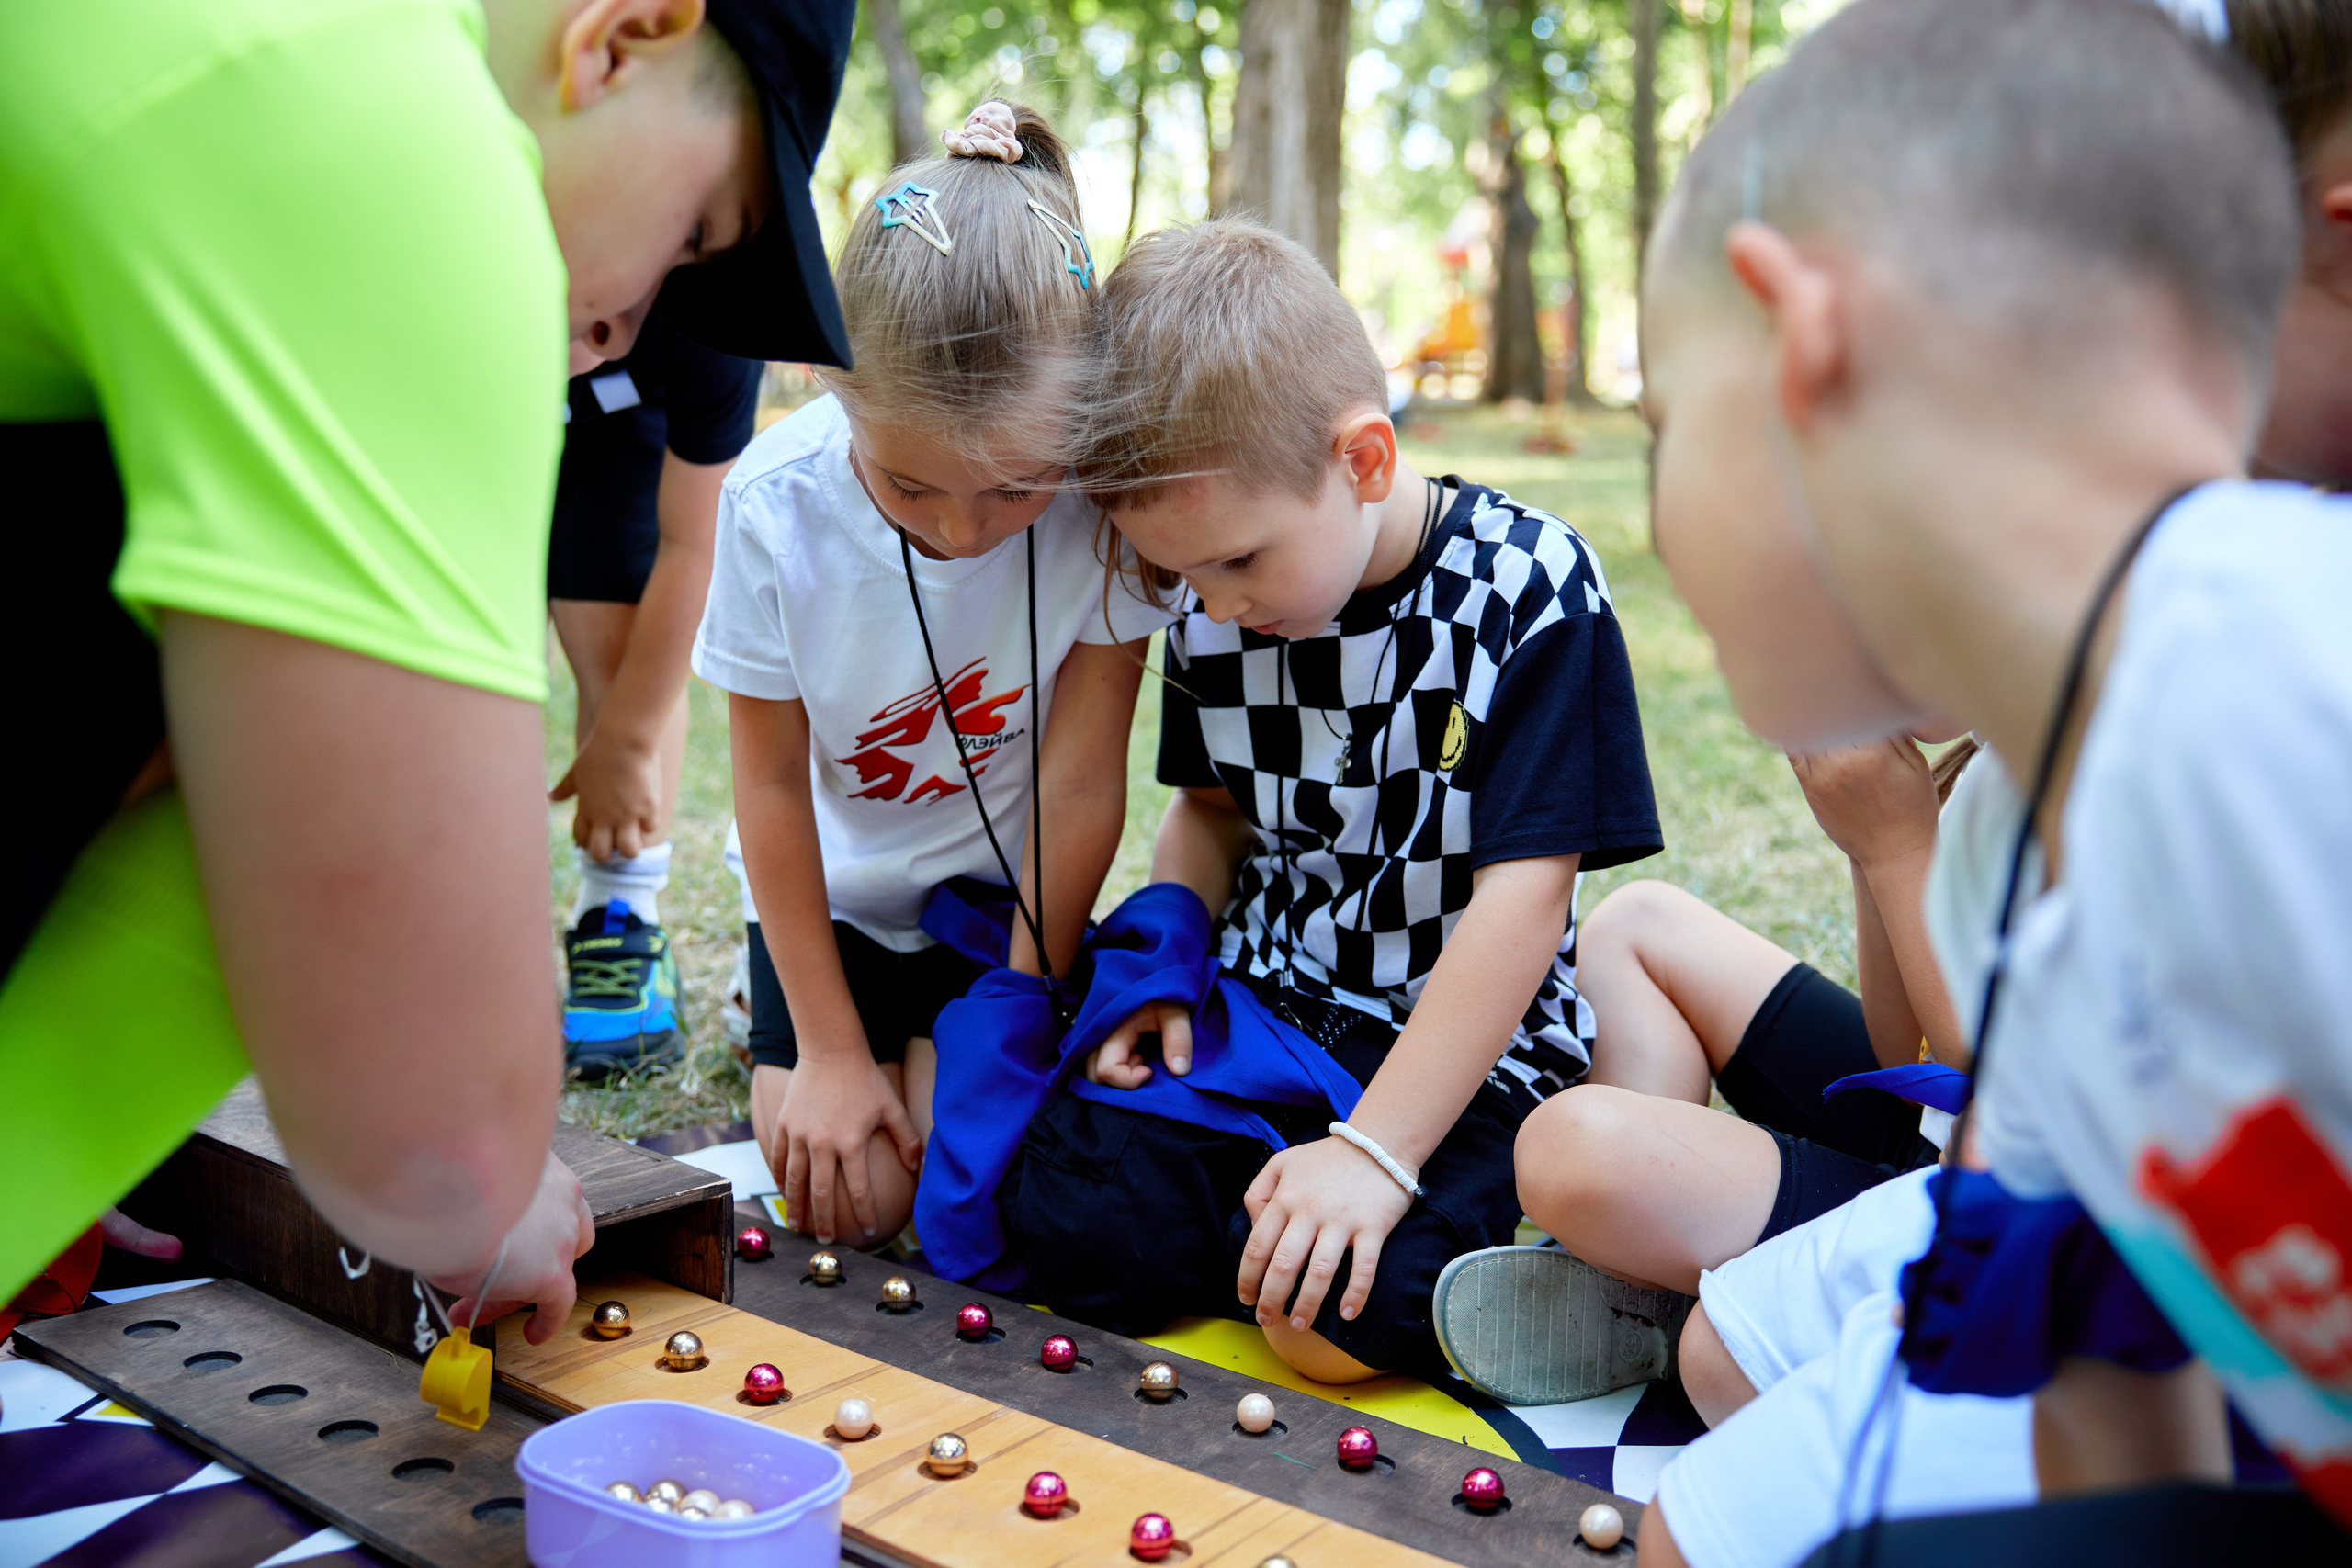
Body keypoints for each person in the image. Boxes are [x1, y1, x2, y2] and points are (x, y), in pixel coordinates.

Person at [1, 0, 853, 1333]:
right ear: (618, 37)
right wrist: (494, 1195)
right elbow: (428, 1142)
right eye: (694, 232)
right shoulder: (396, 152)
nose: (634, 320)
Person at [1634, 0, 2352, 1562]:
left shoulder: (2289, 684)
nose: (1662, 532)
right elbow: (2106, 1401)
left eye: (1665, 431)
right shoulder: (1993, 856)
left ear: (1803, 336)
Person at [1006, 218, 1664, 1384]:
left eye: (1237, 563)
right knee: (1060, 1210)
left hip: (1457, 1048)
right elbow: (1208, 816)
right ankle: (1291, 1229)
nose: (1206, 606)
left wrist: (1374, 1150)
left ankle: (1564, 1276)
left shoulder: (1528, 588)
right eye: (1178, 575)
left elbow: (1520, 906)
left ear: (1360, 460)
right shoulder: (1215, 604)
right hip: (1271, 1013)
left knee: (1325, 1319)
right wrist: (1157, 980)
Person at [692, 103, 1168, 1251]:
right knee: (854, 1206)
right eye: (909, 489)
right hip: (832, 916)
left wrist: (1017, 1006)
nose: (963, 532)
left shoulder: (1100, 511)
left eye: (1014, 488)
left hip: (998, 913)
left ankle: (937, 1044)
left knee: (1001, 1175)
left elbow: (1081, 777)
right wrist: (828, 1051)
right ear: (827, 386)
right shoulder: (772, 505)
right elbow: (765, 789)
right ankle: (840, 1041)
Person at [1431, 735, 1973, 1404]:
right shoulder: (1991, 756)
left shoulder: (2106, 785)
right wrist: (1869, 847)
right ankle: (1637, 1274)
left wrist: (1898, 849)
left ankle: (1675, 1286)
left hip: (1985, 1195)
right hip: (1938, 1115)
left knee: (1567, 1151)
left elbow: (2011, 1101)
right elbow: (1908, 1054)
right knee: (1639, 924)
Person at [548, 312, 763, 1078]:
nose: (577, 342)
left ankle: (619, 907)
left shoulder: (717, 318)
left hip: (626, 422)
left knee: (621, 629)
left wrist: (627, 738)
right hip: (450, 401)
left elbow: (692, 545)